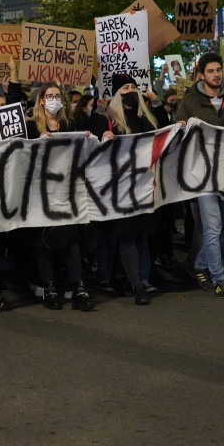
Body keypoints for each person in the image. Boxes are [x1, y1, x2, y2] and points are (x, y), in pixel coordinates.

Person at [175, 53, 224, 299]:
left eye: (218, 70)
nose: (216, 74)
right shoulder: (190, 101)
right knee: (213, 227)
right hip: (202, 175)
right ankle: (218, 278)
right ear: (202, 74)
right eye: (211, 71)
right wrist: (182, 128)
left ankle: (200, 262)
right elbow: (177, 131)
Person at [23, 82, 95, 312]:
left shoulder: (69, 125)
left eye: (57, 95)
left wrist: (86, 140)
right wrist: (35, 144)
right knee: (44, 241)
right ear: (41, 100)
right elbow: (19, 153)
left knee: (71, 240)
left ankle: (78, 287)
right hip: (40, 193)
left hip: (66, 191)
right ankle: (50, 287)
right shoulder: (32, 126)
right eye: (49, 95)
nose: (54, 99)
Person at [91, 74, 161, 305]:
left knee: (140, 235)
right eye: (124, 87)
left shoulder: (146, 117)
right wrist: (104, 138)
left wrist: (157, 102)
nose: (130, 91)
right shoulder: (108, 119)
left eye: (133, 87)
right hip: (120, 188)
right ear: (115, 93)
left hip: (143, 186)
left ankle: (140, 277)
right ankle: (136, 284)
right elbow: (96, 150)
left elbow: (161, 134)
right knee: (126, 234)